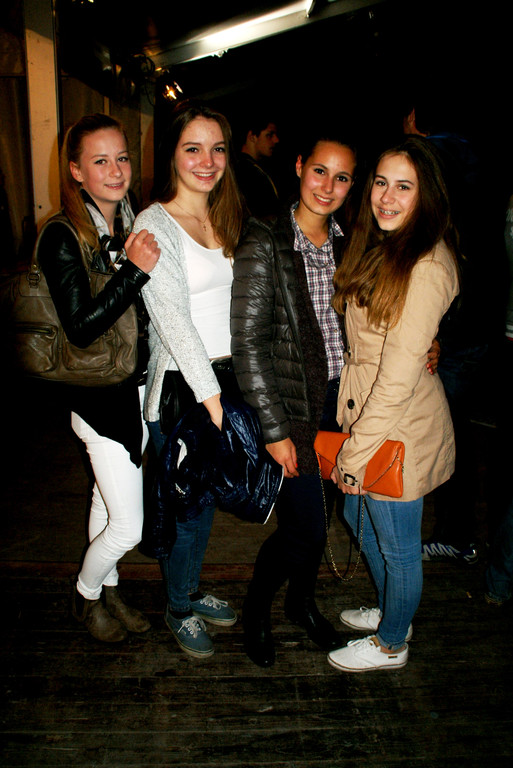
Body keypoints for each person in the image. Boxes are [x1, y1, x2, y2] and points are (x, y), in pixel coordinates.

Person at [327, 136, 460, 673]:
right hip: (373, 416)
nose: (387, 196)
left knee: (398, 546)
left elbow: (398, 378)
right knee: (357, 516)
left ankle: (391, 642)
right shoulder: (386, 245)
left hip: (396, 427)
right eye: (381, 182)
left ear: (426, 195)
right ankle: (391, 611)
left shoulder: (425, 264)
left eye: (404, 186)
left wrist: (354, 454)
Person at [231, 132, 357, 667]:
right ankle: (256, 610)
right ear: (300, 166)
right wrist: (274, 428)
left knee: (321, 517)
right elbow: (248, 343)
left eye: (342, 177)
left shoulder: (351, 244)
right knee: (304, 527)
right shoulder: (264, 237)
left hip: (342, 404)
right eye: (320, 171)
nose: (328, 186)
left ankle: (301, 603)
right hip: (293, 408)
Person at [38, 114, 161, 642]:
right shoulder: (62, 234)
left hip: (133, 387)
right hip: (98, 397)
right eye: (100, 161)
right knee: (128, 526)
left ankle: (109, 592)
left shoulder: (126, 225)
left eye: (122, 158)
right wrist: (134, 271)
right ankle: (85, 595)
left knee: (104, 503)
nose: (115, 171)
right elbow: (82, 328)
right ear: (76, 171)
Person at [132, 101, 244, 659]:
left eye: (217, 149)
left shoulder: (225, 216)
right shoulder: (153, 224)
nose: (207, 161)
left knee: (207, 503)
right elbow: (173, 322)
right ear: (172, 154)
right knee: (187, 509)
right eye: (192, 148)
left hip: (225, 381)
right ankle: (178, 606)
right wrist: (214, 402)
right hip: (183, 389)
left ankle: (192, 589)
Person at [237, 114, 280, 222]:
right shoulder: (244, 170)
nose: (276, 140)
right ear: (252, 136)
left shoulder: (255, 168)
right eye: (269, 135)